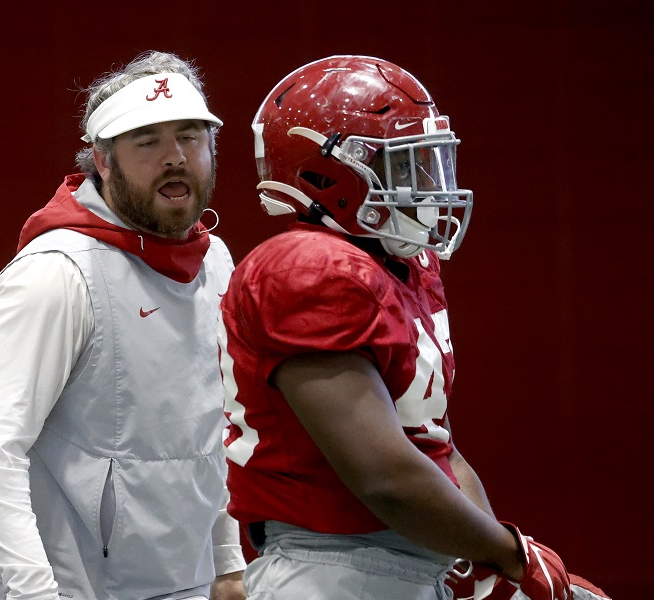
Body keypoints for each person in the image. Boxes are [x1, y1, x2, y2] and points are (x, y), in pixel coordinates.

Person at [218, 55, 577, 600]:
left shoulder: (405, 265)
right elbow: (384, 477)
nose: (428, 184)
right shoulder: (308, 268)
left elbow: (436, 448)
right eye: (404, 166)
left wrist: (487, 564)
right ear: (327, 172)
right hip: (332, 570)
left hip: (407, 564)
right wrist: (508, 552)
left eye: (429, 162)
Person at [0, 50, 246, 600]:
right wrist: (35, 592)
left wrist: (226, 562)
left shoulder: (217, 262)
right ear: (103, 162)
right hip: (58, 587)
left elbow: (212, 428)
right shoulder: (56, 272)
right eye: (147, 141)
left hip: (178, 579)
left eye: (190, 136)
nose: (175, 157)